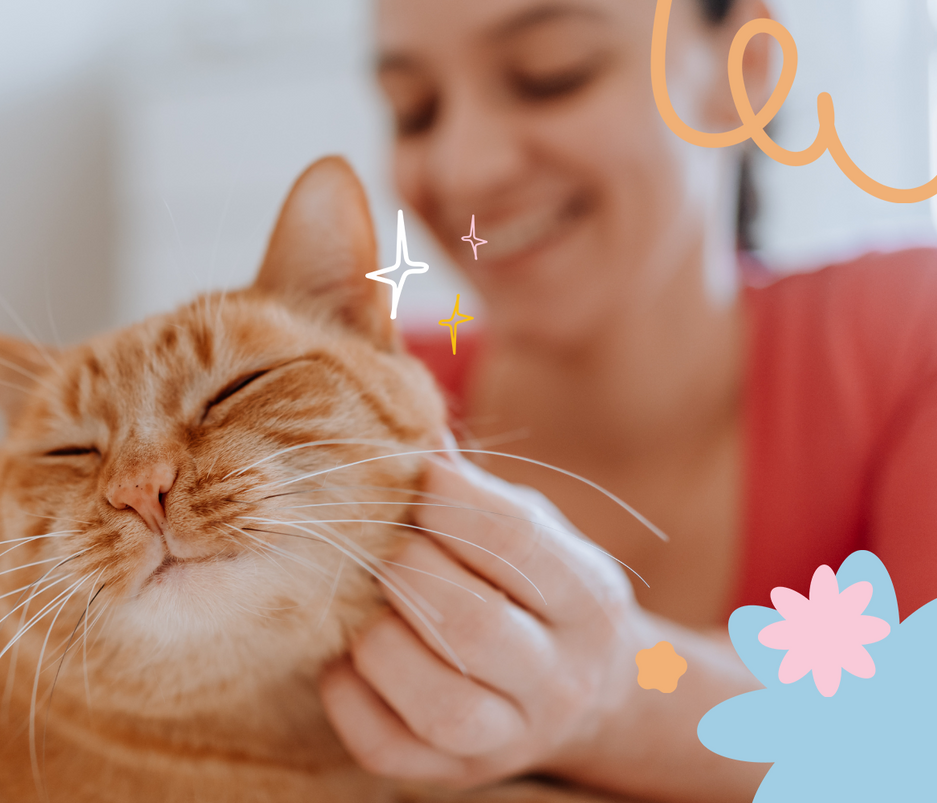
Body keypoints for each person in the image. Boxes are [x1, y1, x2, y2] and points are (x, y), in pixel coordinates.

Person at [318, 0, 937, 800]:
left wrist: (609, 699)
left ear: (743, 67)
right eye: (415, 111)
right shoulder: (365, 399)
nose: (465, 166)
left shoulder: (904, 336)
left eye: (550, 75)